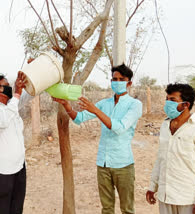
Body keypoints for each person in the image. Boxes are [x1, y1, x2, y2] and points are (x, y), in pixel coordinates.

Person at [53, 63, 142, 214]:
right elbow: (79, 118)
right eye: (114, 79)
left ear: (129, 83)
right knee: (106, 208)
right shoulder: (104, 103)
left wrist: (94, 109)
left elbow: (119, 127)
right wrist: (67, 105)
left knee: (127, 208)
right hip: (103, 163)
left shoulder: (135, 105)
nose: (117, 82)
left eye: (121, 79)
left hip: (123, 164)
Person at [146, 83, 195, 214]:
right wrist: (152, 186)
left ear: (186, 105)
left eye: (172, 100)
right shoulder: (165, 126)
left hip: (187, 198)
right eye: (167, 99)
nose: (167, 103)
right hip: (165, 196)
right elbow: (161, 159)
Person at [0, 71, 32, 214]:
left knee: (16, 209)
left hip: (19, 168)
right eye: (7, 85)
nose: (11, 88)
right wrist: (16, 94)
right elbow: (2, 121)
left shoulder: (11, 106)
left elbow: (31, 93)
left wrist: (32, 72)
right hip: (2, 172)